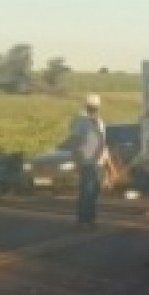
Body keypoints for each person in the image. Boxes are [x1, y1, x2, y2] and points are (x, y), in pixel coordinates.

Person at [61, 93, 109, 229]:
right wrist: (78, 160)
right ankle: (83, 220)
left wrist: (107, 163)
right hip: (87, 162)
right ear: (88, 106)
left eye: (96, 107)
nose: (95, 109)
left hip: (97, 162)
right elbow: (75, 139)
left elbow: (103, 143)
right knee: (87, 192)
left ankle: (90, 219)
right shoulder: (80, 120)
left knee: (93, 192)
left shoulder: (99, 122)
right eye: (93, 107)